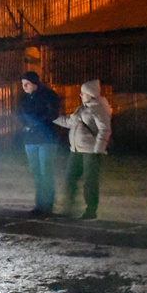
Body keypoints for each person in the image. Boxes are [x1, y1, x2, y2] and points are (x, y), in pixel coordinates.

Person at [54, 79, 112, 219]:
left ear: (90, 94)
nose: (80, 95)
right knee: (70, 178)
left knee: (90, 181)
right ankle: (68, 208)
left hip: (90, 151)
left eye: (83, 93)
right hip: (76, 150)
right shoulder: (83, 108)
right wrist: (53, 119)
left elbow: (104, 130)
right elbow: (71, 123)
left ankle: (91, 211)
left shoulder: (98, 109)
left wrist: (98, 150)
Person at [19, 70, 63, 216]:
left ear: (35, 83)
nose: (24, 87)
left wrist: (35, 122)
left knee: (46, 172)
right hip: (30, 140)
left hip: (46, 139)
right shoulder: (25, 98)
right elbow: (21, 115)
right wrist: (26, 125)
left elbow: (52, 114)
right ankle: (39, 204)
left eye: (27, 84)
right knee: (36, 172)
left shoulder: (49, 95)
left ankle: (48, 205)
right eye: (23, 84)